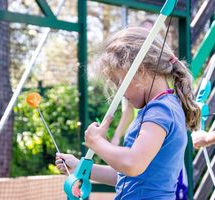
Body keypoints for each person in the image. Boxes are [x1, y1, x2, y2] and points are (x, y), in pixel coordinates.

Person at [56, 27, 200, 199]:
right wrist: (81, 168)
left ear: (140, 71)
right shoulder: (162, 107)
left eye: (118, 82)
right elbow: (129, 176)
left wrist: (96, 142)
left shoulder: (160, 111)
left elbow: (132, 164)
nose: (118, 92)